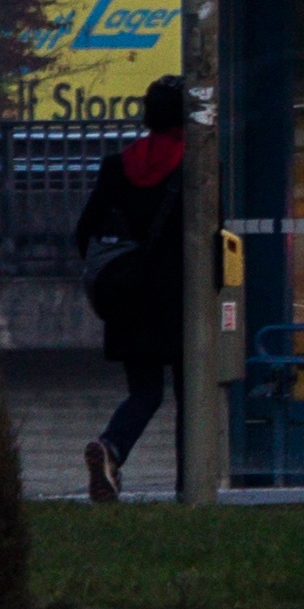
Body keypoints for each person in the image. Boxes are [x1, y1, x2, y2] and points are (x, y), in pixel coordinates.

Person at [72, 72, 197, 501]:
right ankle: (190, 487)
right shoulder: (196, 167)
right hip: (182, 302)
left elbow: (85, 232)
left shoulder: (117, 166)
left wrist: (116, 274)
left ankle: (111, 448)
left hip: (129, 300)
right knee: (191, 399)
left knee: (144, 393)